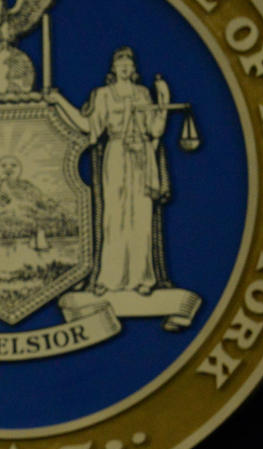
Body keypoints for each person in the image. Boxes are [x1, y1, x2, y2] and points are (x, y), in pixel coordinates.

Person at [47, 47, 171, 294]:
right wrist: (58, 101)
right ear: (113, 68)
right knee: (114, 216)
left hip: (142, 158)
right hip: (116, 155)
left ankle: (143, 278)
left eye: (129, 63)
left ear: (134, 69)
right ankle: (110, 278)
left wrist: (164, 101)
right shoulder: (103, 95)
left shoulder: (143, 94)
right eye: (120, 63)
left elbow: (156, 130)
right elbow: (88, 126)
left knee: (142, 216)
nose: (125, 67)